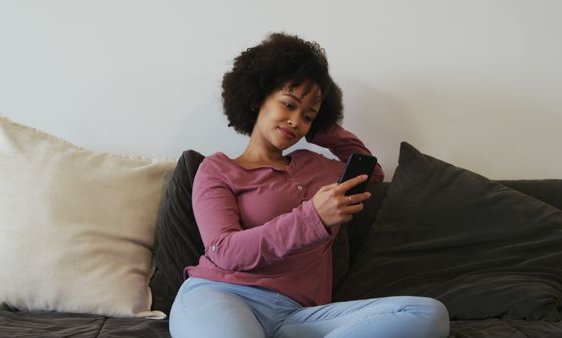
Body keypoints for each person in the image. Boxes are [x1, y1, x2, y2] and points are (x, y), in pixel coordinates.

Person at [169, 32, 450, 338]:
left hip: (299, 314)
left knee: (426, 314)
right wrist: (312, 217)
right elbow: (224, 251)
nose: (295, 122)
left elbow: (371, 173)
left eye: (307, 117)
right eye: (288, 105)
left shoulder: (314, 165)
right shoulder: (219, 168)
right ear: (256, 97)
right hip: (224, 295)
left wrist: (321, 128)